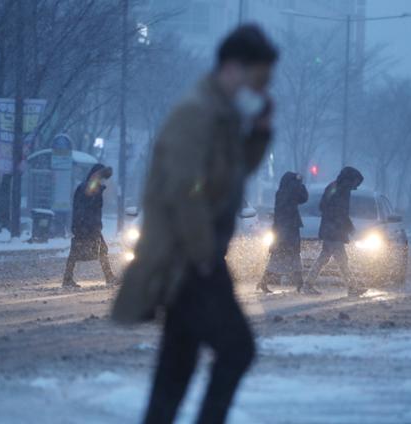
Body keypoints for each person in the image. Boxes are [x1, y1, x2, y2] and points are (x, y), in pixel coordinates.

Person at [112, 25, 278, 424]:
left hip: (196, 256)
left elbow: (230, 177)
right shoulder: (197, 113)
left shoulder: (220, 116)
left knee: (177, 366)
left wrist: (259, 135)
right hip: (187, 259)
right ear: (233, 68)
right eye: (259, 79)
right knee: (238, 349)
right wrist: (204, 258)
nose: (261, 89)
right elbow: (185, 191)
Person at [305, 166, 365, 297]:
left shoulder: (342, 189)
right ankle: (352, 288)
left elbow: (339, 211)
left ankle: (308, 285)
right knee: (342, 260)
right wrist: (340, 222)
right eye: (356, 182)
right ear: (350, 179)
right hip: (332, 230)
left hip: (333, 229)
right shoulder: (337, 189)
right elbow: (327, 207)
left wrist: (346, 225)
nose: (356, 186)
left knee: (325, 258)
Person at [62, 164, 116, 288]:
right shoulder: (87, 186)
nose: (101, 180)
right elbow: (88, 198)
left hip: (89, 224)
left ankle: (108, 276)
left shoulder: (89, 186)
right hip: (85, 225)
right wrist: (83, 224)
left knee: (101, 249)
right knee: (77, 251)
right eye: (100, 176)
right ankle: (67, 278)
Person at [258, 172, 308, 294]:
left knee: (283, 258)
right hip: (288, 230)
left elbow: (301, 199)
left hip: (284, 229)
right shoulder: (290, 192)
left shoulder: (281, 192)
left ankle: (299, 284)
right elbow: (304, 198)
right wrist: (300, 183)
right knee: (289, 257)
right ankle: (298, 284)